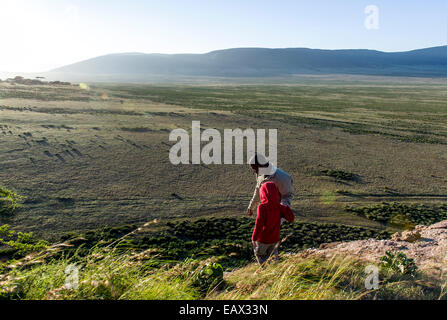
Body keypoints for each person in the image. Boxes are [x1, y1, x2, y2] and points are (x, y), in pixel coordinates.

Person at [252, 181, 295, 265]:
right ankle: (273, 271)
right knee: (272, 258)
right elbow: (291, 218)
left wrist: (254, 238)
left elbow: (259, 224)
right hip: (274, 239)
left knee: (259, 255)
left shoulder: (262, 207)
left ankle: (264, 271)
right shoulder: (279, 207)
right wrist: (285, 208)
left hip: (263, 240)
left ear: (263, 193)